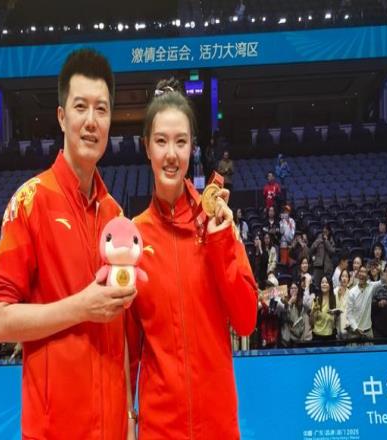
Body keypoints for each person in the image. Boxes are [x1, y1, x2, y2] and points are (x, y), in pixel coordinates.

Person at [0, 49, 136, 440]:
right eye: (80, 107)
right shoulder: (30, 201)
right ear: (61, 116)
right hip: (53, 429)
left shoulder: (116, 216)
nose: (91, 121)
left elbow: (119, 328)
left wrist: (129, 419)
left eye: (101, 109)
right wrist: (80, 307)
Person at [125, 78, 257, 439]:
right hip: (160, 428)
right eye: (161, 141)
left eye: (181, 142)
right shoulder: (133, 237)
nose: (171, 154)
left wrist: (220, 242)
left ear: (192, 148)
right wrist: (127, 417)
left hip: (218, 426)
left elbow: (246, 320)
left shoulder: (218, 222)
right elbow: (129, 349)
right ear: (146, 147)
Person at [345, 266, 374, 343]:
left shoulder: (371, 287)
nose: (362, 274)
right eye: (360, 272)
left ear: (367, 276)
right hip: (354, 332)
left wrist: (380, 270)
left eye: (364, 272)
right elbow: (349, 314)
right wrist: (356, 328)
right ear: (357, 275)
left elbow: (383, 282)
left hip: (368, 332)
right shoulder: (352, 292)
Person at [280, 282, 312, 347]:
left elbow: (308, 310)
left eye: (295, 288)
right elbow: (284, 317)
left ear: (298, 290)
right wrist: (289, 302)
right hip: (289, 336)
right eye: (292, 288)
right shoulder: (284, 301)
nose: (293, 290)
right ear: (289, 290)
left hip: (301, 334)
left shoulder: (302, 301)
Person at [371, 261, 387, 340]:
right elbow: (371, 308)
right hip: (379, 333)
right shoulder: (378, 289)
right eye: (386, 271)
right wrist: (378, 304)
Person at [311, 276, 337, 343]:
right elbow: (311, 323)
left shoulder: (334, 299)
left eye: (326, 282)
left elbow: (336, 320)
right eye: (322, 282)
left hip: (330, 335)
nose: (324, 284)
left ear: (330, 285)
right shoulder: (316, 300)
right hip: (317, 336)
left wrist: (335, 314)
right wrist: (313, 311)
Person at [334, 269, 350, 339]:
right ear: (340, 278)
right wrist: (339, 296)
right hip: (336, 325)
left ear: (348, 279)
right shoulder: (334, 291)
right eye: (342, 276)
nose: (344, 278)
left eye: (346, 276)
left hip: (347, 326)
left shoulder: (351, 293)